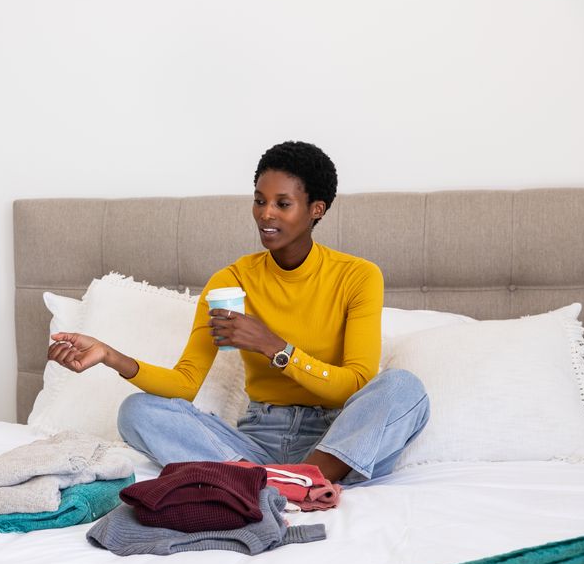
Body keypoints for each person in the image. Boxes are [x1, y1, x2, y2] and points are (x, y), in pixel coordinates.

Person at [46, 141, 429, 485]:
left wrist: (274, 347)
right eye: (259, 200)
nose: (266, 214)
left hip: (337, 440)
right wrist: (111, 356)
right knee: (137, 411)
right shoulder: (231, 282)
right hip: (254, 445)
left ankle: (300, 478)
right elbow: (184, 384)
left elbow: (356, 384)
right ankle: (285, 483)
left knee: (403, 388)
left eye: (283, 203)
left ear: (317, 209)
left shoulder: (357, 276)